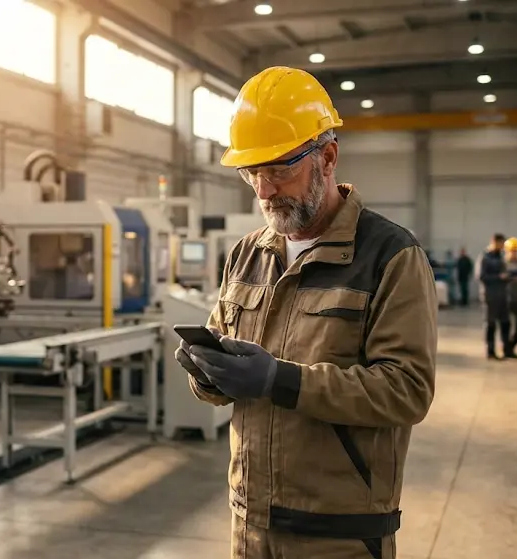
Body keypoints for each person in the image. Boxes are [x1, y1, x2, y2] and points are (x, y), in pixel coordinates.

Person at [174, 66, 438, 559]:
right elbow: (223, 360)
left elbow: (408, 391)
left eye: (279, 170)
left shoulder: (390, 256)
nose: (264, 190)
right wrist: (207, 373)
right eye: (253, 172)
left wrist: (280, 379)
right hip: (249, 523)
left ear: (329, 157)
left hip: (337, 534)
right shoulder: (247, 254)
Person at [478, 233, 513, 359]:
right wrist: (498, 277)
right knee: (491, 324)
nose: (502, 246)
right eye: (501, 243)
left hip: (502, 295)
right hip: (490, 296)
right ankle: (491, 351)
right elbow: (481, 276)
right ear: (494, 242)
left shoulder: (501, 257)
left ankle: (507, 350)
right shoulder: (485, 257)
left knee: (505, 323)